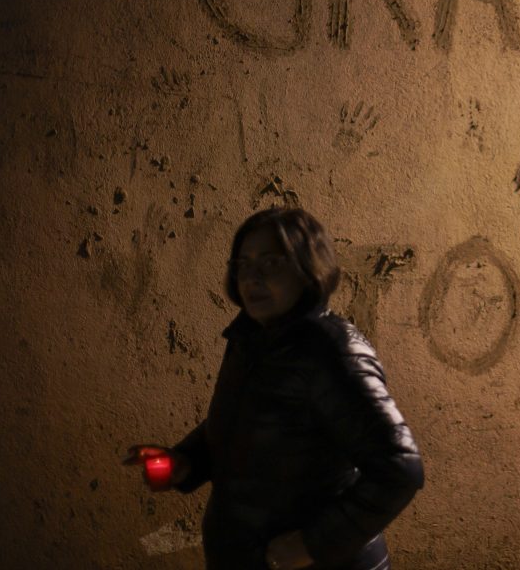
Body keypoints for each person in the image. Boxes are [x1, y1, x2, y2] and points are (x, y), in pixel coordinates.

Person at [124, 208, 424, 570]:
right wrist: (185, 462)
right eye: (243, 264)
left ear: (307, 268)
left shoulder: (332, 351)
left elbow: (400, 468)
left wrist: (311, 545)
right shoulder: (251, 338)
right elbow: (248, 422)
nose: (252, 278)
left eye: (271, 263)